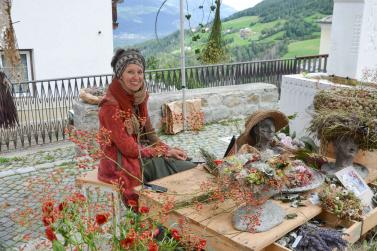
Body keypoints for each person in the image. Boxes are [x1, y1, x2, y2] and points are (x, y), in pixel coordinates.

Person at [97, 48, 195, 205]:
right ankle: (162, 213)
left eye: (140, 72)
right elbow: (128, 148)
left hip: (140, 153)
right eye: (130, 72)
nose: (136, 77)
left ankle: (172, 210)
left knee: (187, 165)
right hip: (121, 162)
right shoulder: (110, 106)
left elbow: (150, 133)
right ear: (120, 74)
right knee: (181, 171)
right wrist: (161, 152)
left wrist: (167, 150)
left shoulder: (138, 99)